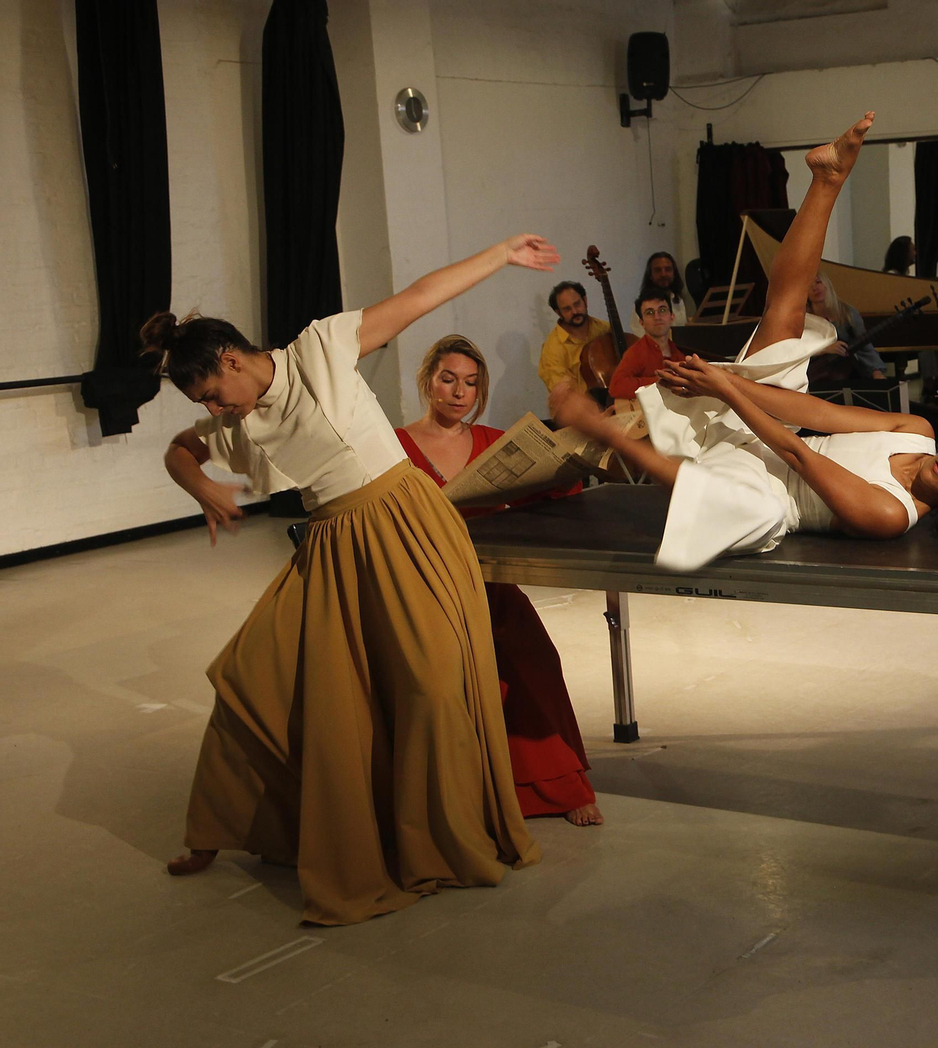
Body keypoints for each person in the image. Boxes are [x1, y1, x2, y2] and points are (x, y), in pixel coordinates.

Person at [153, 233, 560, 924]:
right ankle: (217, 832)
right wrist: (203, 489)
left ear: (231, 358)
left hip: (408, 523)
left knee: (432, 685)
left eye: (215, 394)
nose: (216, 410)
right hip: (333, 545)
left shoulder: (319, 349)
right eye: (208, 404)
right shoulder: (242, 422)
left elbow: (419, 297)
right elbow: (178, 450)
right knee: (254, 677)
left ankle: (439, 836)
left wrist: (501, 254)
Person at [549, 113, 938, 573]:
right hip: (767, 428)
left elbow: (797, 456)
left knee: (752, 511)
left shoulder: (893, 514)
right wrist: (728, 379)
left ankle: (605, 431)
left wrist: (728, 390)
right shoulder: (918, 432)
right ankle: (827, 180)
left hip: (766, 483)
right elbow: (815, 414)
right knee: (786, 321)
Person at [396, 335, 602, 826]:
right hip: (425, 583)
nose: (459, 392)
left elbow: (540, 495)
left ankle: (556, 784)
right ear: (428, 381)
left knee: (534, 659)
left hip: (488, 580)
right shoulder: (397, 444)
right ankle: (461, 792)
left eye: (470, 383)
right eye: (448, 379)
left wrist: (567, 463)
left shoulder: (493, 441)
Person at [805, 270, 888, 383]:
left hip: (846, 372)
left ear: (827, 285)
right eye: (809, 286)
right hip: (812, 373)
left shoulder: (848, 312)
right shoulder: (804, 318)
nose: (815, 288)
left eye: (818, 282)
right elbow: (797, 348)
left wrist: (876, 372)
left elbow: (864, 344)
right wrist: (824, 349)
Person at [537, 280, 611, 395]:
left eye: (577, 304)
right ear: (558, 313)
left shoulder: (604, 328)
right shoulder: (552, 350)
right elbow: (565, 395)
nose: (575, 312)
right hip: (582, 404)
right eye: (567, 309)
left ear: (585, 301)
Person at [612, 288, 687, 400]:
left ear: (672, 316)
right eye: (650, 313)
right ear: (642, 323)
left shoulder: (680, 352)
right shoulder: (636, 353)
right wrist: (660, 381)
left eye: (662, 310)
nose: (657, 317)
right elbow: (616, 387)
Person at [631, 251, 694, 336]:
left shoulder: (678, 300)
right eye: (658, 270)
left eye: (668, 269)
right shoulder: (642, 305)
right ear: (650, 275)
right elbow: (640, 337)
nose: (663, 274)